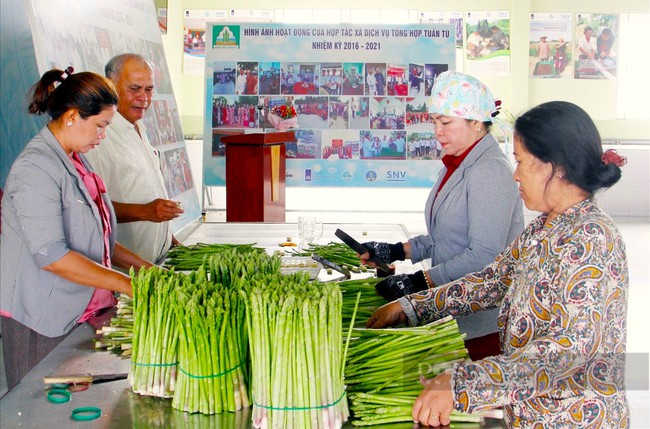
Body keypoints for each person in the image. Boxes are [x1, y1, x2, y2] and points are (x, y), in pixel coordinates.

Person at [367, 100, 629, 428]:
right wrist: (411, 306)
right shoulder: (544, 227)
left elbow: (568, 352)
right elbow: (491, 281)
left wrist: (461, 383)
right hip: (528, 414)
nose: (515, 174)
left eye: (520, 161)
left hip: (572, 419)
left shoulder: (590, 238)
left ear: (554, 166)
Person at [0, 68, 156, 390]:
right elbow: (52, 256)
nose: (102, 136)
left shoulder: (75, 159)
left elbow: (98, 240)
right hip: (43, 320)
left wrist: (150, 271)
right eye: (100, 126)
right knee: (40, 413)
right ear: (73, 116)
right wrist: (129, 285)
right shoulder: (36, 167)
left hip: (82, 313)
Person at [358, 71, 524, 360]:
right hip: (450, 309)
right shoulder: (458, 163)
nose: (437, 131)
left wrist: (419, 282)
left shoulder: (490, 171)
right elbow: (445, 238)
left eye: (446, 122)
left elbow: (483, 255)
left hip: (480, 323)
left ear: (475, 123)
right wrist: (396, 250)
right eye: (434, 121)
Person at [85, 54, 183, 264]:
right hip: (123, 273)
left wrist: (168, 239)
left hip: (154, 262)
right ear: (110, 86)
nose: (144, 98)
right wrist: (145, 212)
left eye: (149, 89)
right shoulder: (100, 137)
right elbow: (90, 209)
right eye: (135, 89)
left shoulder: (138, 126)